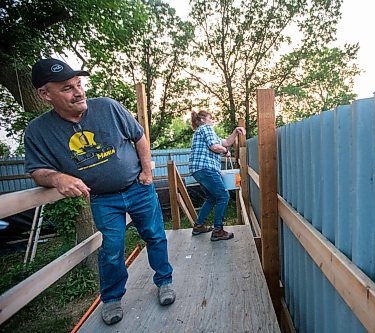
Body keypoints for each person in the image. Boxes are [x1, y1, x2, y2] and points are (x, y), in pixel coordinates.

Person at [24, 58, 175, 325]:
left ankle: (164, 281)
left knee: (155, 236)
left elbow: (139, 136)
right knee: (113, 248)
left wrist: (147, 173)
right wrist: (57, 177)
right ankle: (112, 298)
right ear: (45, 94)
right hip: (103, 199)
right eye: (67, 88)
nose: (79, 91)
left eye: (79, 84)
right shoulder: (38, 131)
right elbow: (37, 170)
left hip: (138, 188)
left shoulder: (107, 107)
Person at [189, 111, 246, 241]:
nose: (212, 120)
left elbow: (225, 142)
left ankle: (199, 226)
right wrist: (225, 151)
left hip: (198, 170)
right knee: (223, 196)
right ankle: (218, 230)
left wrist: (235, 132)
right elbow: (215, 147)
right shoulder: (206, 128)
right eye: (210, 118)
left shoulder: (203, 131)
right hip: (206, 168)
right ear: (203, 120)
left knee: (211, 198)